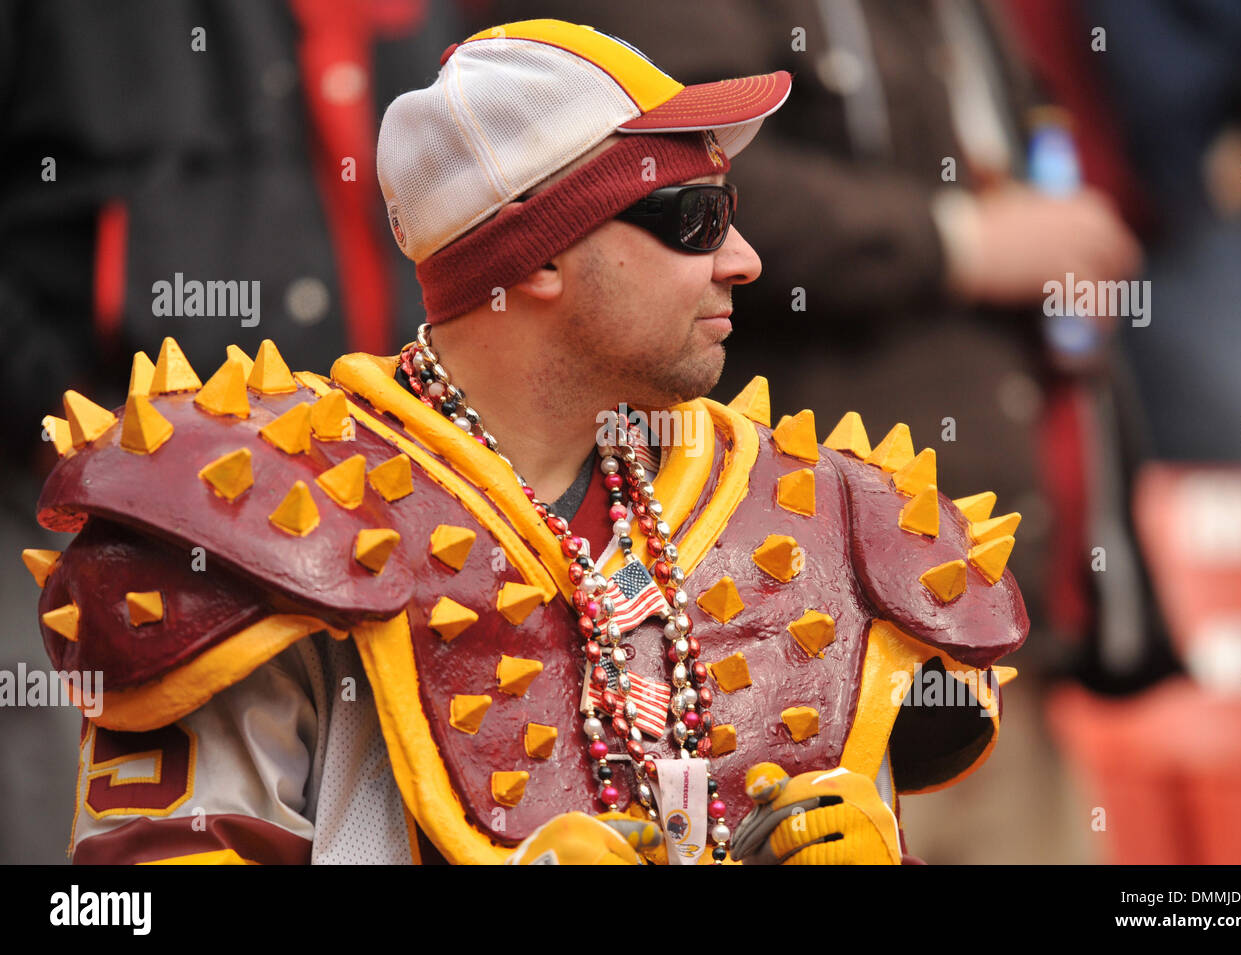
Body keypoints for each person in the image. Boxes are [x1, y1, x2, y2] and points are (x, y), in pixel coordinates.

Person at [23, 18, 1028, 865]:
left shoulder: (836, 523)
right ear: (537, 252)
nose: (745, 260)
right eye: (696, 217)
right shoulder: (255, 517)